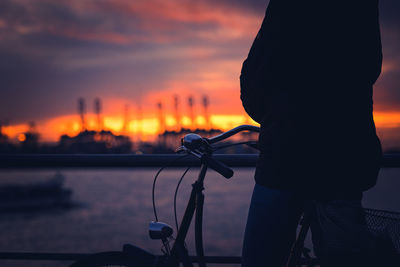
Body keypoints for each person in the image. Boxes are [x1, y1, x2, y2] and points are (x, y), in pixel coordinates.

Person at [240, 0, 383, 266]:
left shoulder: (287, 8)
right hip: (344, 156)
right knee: (345, 254)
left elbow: (255, 77)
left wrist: (275, 116)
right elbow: (370, 66)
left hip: (285, 157)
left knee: (261, 257)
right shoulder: (360, 8)